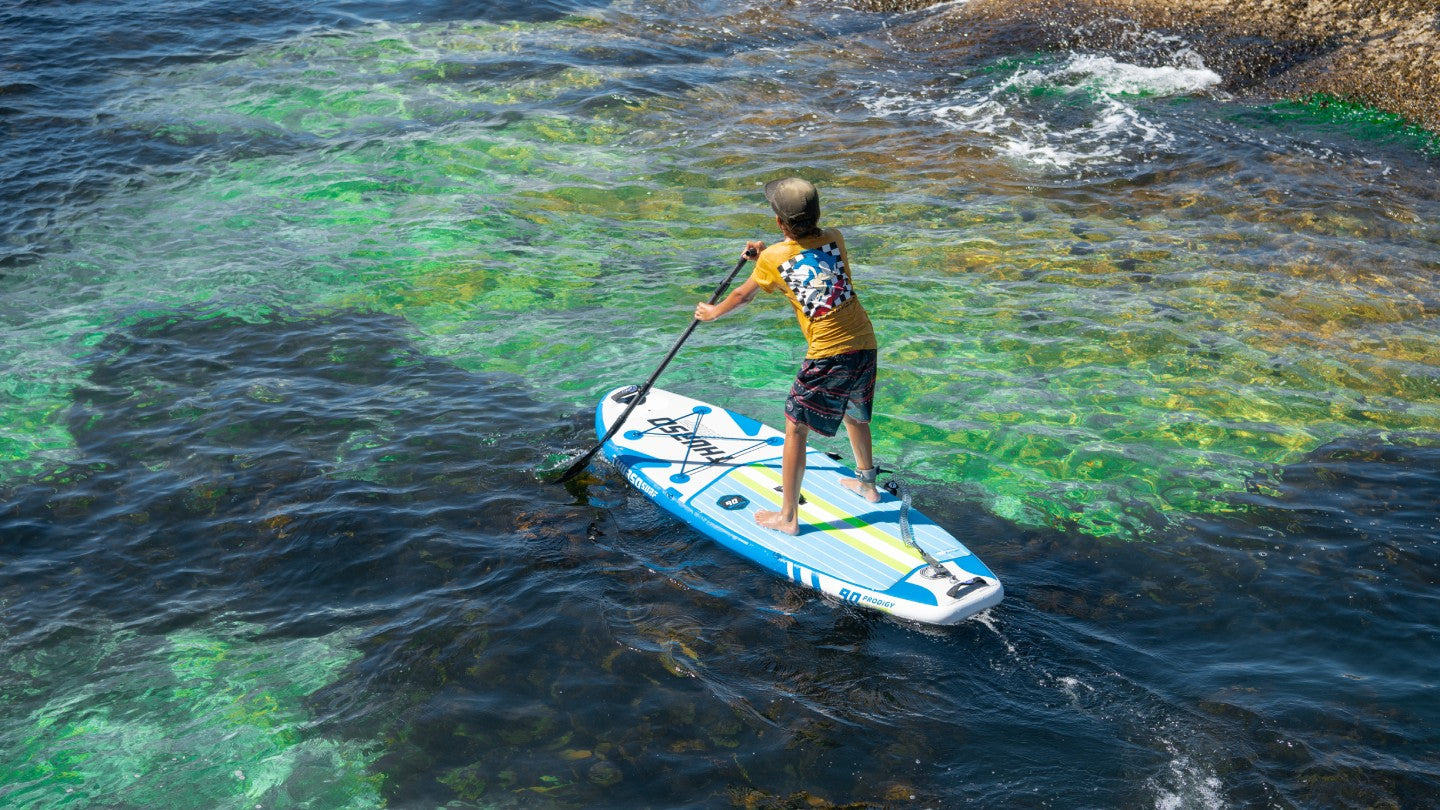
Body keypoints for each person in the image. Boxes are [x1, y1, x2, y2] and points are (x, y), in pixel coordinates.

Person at [694, 177, 880, 535]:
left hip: (828, 353)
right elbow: (802, 256)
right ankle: (868, 486)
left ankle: (788, 518)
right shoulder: (835, 238)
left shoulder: (772, 258)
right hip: (864, 340)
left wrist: (712, 312)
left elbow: (743, 296)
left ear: (780, 223)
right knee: (855, 413)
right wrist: (765, 254)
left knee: (795, 427)